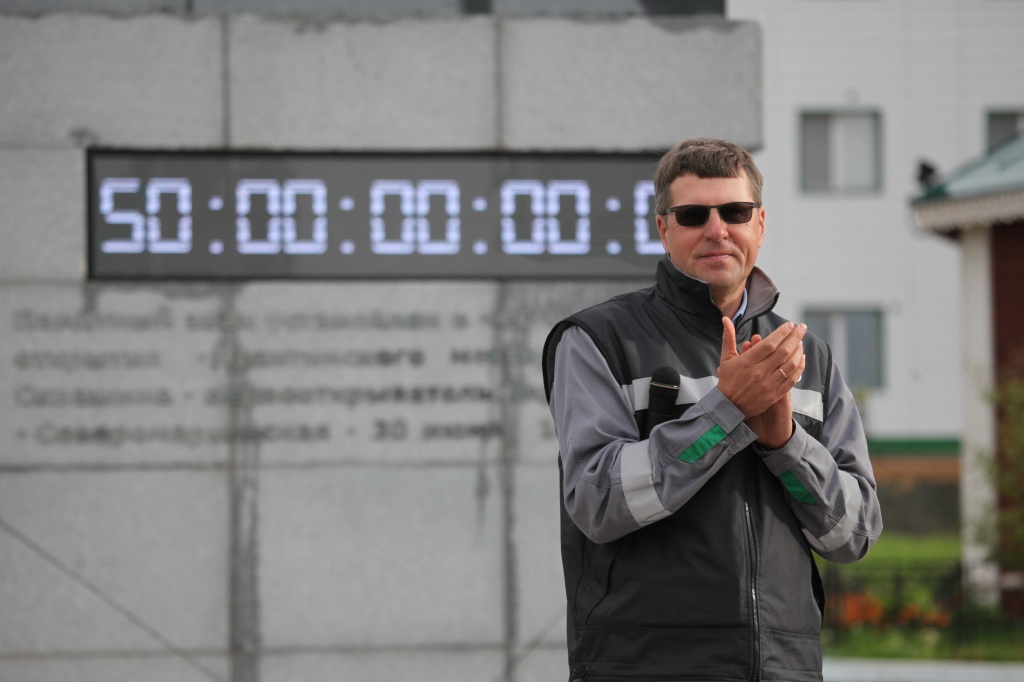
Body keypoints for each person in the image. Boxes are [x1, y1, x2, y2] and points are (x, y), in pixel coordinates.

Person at [541, 138, 882, 682]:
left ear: (760, 224)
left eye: (735, 212)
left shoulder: (808, 354)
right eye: (693, 215)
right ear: (663, 229)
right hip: (644, 666)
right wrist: (727, 411)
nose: (717, 229)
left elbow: (854, 536)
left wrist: (785, 445)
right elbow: (597, 501)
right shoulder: (596, 339)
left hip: (784, 668)